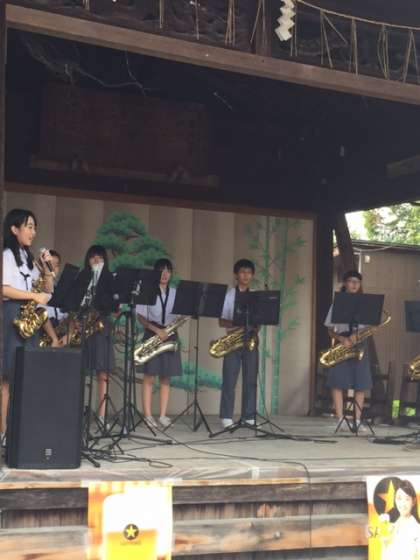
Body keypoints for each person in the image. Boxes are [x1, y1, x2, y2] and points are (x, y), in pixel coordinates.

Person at [2, 209, 55, 440]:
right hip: (12, 315)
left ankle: (20, 432)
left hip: (29, 318)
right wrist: (34, 296)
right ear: (15, 229)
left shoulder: (29, 258)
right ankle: (4, 432)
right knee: (8, 376)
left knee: (25, 376)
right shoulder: (6, 255)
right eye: (29, 227)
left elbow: (48, 290)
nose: (34, 232)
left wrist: (48, 269)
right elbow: (4, 289)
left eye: (35, 227)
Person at [67, 245, 116, 427]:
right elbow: (71, 301)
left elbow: (113, 305)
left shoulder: (109, 278)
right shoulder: (82, 276)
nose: (96, 260)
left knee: (102, 371)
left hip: (101, 326)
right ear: (87, 259)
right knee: (80, 371)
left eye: (100, 257)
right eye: (93, 257)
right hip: (82, 326)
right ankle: (77, 413)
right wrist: (76, 321)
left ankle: (102, 417)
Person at [136, 258, 182, 429]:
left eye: (168, 270)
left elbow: (180, 315)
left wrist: (171, 328)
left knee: (166, 377)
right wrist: (156, 330)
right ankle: (148, 416)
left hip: (170, 334)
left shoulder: (176, 293)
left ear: (171, 273)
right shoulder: (147, 291)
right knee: (149, 376)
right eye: (161, 270)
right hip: (152, 334)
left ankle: (162, 415)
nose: (164, 274)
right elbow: (140, 317)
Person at [324, 269, 372, 432]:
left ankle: (357, 420)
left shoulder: (365, 304)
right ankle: (340, 419)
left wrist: (357, 336)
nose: (354, 285)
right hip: (343, 343)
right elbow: (330, 329)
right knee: (337, 380)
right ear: (345, 284)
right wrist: (341, 338)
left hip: (360, 342)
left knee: (361, 382)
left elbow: (370, 326)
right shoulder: (337, 303)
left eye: (357, 282)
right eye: (351, 281)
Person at [219, 258, 258, 429]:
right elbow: (221, 321)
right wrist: (239, 325)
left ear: (252, 275)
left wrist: (254, 328)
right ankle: (226, 416)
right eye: (242, 272)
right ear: (236, 275)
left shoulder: (256, 295)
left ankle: (249, 416)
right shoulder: (228, 295)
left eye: (249, 272)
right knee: (229, 379)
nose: (246, 275)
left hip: (250, 340)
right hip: (232, 340)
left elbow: (259, 321)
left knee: (250, 380)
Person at [380, 479, 420, 559]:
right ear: (395, 500)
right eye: (399, 498)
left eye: (407, 499)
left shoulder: (416, 529)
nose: (402, 504)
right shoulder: (392, 527)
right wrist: (384, 543)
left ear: (413, 501)